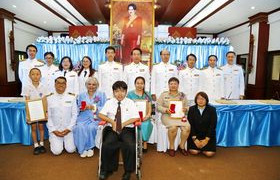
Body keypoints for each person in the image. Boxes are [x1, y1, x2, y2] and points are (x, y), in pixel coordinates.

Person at [98, 81, 139, 180]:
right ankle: (107, 169)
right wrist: (112, 122)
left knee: (130, 145)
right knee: (107, 144)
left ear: (126, 92)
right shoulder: (109, 102)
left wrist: (123, 124)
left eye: (122, 91)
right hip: (112, 129)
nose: (119, 94)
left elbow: (136, 117)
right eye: (116, 91)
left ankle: (128, 171)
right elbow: (101, 114)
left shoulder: (130, 102)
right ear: (113, 92)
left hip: (127, 128)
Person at [73, 77, 106, 158]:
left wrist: (94, 107)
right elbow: (77, 107)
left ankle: (90, 147)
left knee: (91, 127)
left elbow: (105, 108)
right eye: (89, 84)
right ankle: (82, 148)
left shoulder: (101, 94)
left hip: (96, 117)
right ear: (86, 85)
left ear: (97, 86)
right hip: (83, 116)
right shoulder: (81, 95)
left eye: (94, 84)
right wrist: (82, 108)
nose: (91, 86)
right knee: (80, 127)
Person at [157, 77, 190, 157]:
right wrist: (166, 110)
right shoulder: (164, 94)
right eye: (171, 84)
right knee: (173, 127)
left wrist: (185, 109)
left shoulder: (182, 95)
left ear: (178, 85)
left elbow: (188, 106)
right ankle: (171, 147)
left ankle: (181, 146)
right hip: (167, 116)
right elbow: (158, 106)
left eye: (175, 84)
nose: (173, 85)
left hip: (180, 116)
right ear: (168, 85)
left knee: (187, 127)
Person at [47, 76, 77, 155]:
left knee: (71, 150)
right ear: (55, 85)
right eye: (58, 83)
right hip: (55, 130)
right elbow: (48, 117)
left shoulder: (72, 97)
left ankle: (66, 142)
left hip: (68, 129)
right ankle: (57, 141)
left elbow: (75, 115)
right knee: (56, 152)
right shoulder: (49, 98)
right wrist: (53, 130)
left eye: (63, 83)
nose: (61, 85)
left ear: (66, 85)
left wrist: (69, 129)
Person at [21, 68, 48, 155]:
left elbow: (44, 100)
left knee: (41, 127)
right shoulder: (26, 87)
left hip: (41, 111)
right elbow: (27, 101)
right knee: (33, 128)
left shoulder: (43, 86)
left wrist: (45, 112)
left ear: (40, 76)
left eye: (37, 74)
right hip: (32, 112)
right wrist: (28, 114)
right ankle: (36, 145)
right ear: (29, 76)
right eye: (33, 74)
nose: (35, 76)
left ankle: (42, 144)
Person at [127, 76, 152, 153]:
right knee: (135, 124)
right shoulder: (130, 94)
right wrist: (134, 117)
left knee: (146, 124)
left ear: (144, 84)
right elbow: (128, 107)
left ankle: (144, 143)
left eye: (142, 83)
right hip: (133, 117)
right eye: (138, 83)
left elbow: (150, 107)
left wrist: (147, 116)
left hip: (145, 117)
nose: (140, 85)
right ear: (135, 84)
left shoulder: (147, 94)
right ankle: (135, 143)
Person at [187, 92, 217, 157]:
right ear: (195, 100)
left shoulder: (212, 109)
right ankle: (201, 148)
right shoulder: (191, 109)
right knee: (194, 151)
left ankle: (203, 149)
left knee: (209, 154)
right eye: (198, 99)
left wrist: (206, 140)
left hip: (207, 135)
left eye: (203, 99)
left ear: (206, 100)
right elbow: (190, 124)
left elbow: (213, 125)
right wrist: (195, 139)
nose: (200, 101)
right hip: (195, 136)